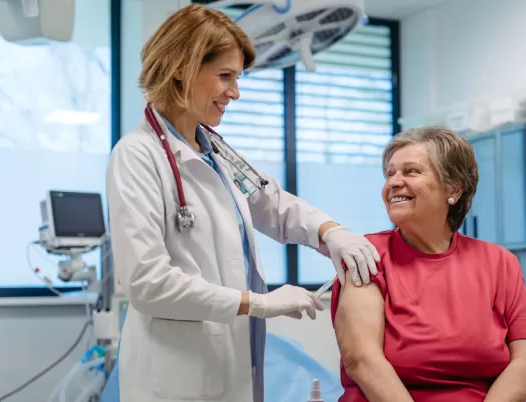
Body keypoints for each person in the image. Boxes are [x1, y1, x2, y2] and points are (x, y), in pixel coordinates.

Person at [106, 5, 379, 402]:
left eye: (237, 78)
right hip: (175, 379)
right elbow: (147, 283)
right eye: (225, 76)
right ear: (181, 68)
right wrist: (256, 303)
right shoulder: (137, 156)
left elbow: (273, 204)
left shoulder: (215, 150)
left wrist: (331, 232)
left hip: (231, 365)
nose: (235, 92)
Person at [330, 126, 526, 401]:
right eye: (390, 174)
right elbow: (361, 360)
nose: (394, 182)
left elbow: (525, 362)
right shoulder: (367, 256)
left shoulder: (501, 263)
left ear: (453, 189)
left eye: (411, 171)